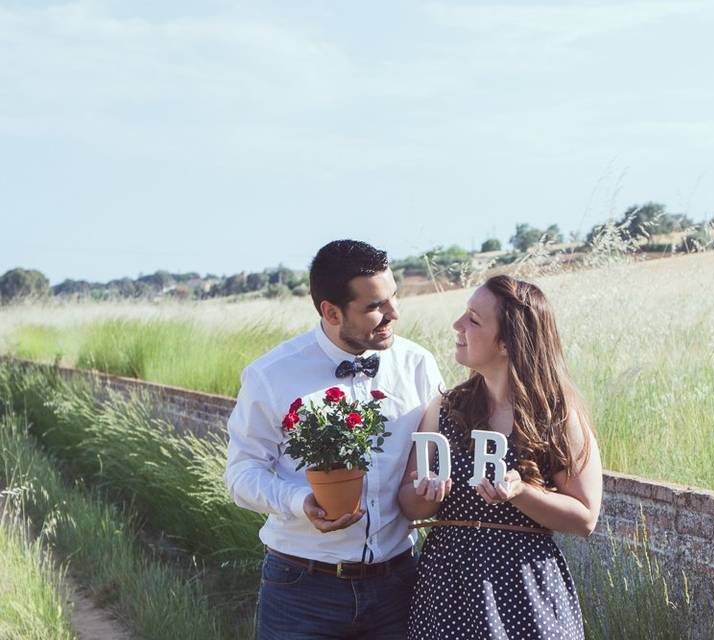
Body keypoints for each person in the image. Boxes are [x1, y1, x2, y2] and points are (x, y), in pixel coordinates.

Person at [224, 240, 444, 639]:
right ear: (330, 311)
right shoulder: (270, 375)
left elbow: (438, 459)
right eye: (376, 306)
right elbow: (241, 475)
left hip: (400, 585)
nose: (393, 314)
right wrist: (298, 502)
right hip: (302, 591)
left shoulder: (419, 366)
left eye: (394, 298)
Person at [399, 274, 603, 640]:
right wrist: (424, 493)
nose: (457, 326)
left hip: (525, 592)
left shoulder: (558, 415)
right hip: (447, 591)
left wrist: (520, 492)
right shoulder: (444, 408)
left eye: (473, 320)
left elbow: (585, 518)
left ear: (507, 342)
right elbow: (410, 505)